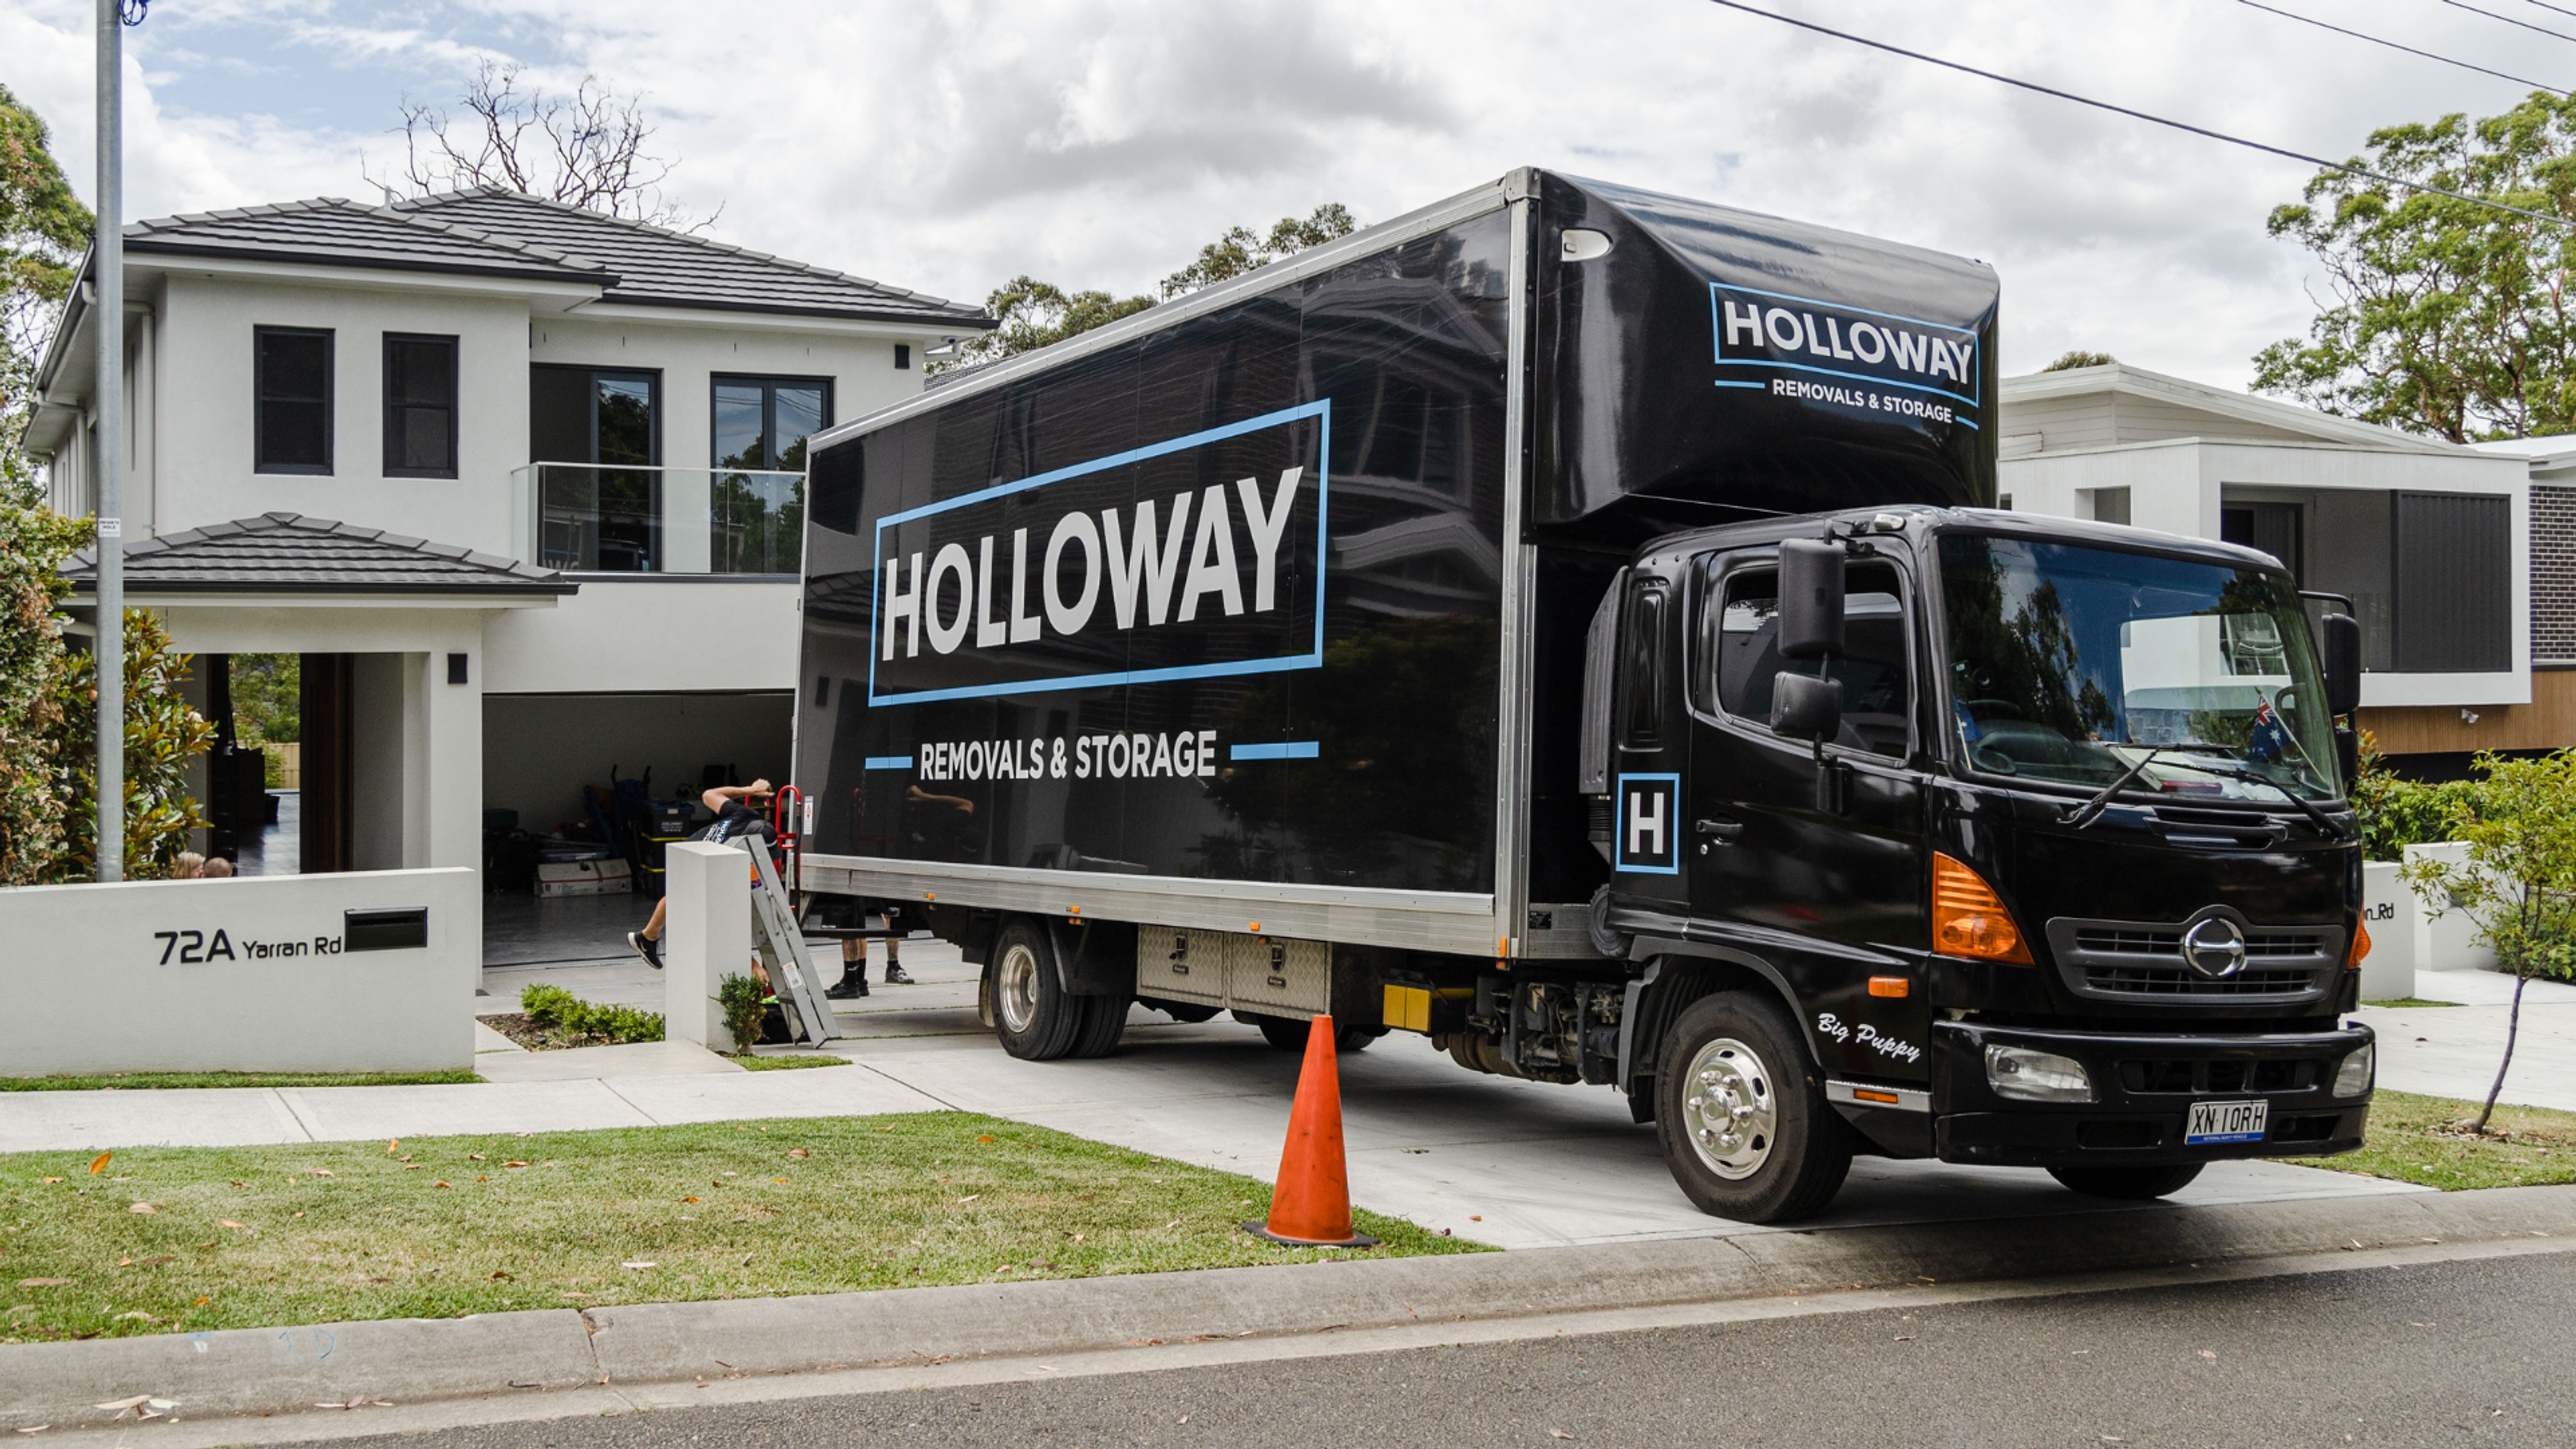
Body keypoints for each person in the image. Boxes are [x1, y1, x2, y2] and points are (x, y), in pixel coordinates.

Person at [627, 780, 775, 970]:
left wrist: (750, 790)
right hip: (703, 863)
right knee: (716, 914)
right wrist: (752, 965)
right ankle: (749, 966)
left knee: (679, 896)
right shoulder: (734, 857)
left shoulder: (745, 814)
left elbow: (709, 795)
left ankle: (647, 937)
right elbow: (722, 922)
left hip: (686, 852)